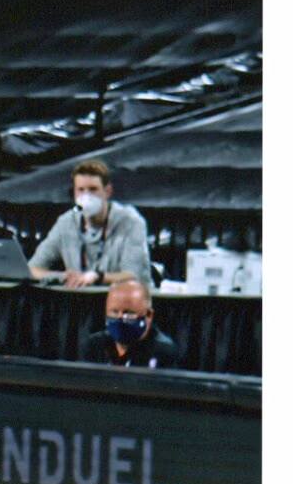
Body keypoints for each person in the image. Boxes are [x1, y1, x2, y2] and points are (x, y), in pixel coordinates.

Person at [28, 158, 151, 286]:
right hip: (79, 296)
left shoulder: (131, 222)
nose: (86, 196)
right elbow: (32, 269)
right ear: (74, 193)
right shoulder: (66, 223)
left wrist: (98, 277)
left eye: (93, 189)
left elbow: (135, 276)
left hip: (121, 296)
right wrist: (61, 277)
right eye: (81, 190)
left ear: (107, 191)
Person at [83, 276, 181, 369]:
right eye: (114, 312)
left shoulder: (164, 352)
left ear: (149, 315)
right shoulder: (95, 346)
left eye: (129, 313)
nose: (120, 318)